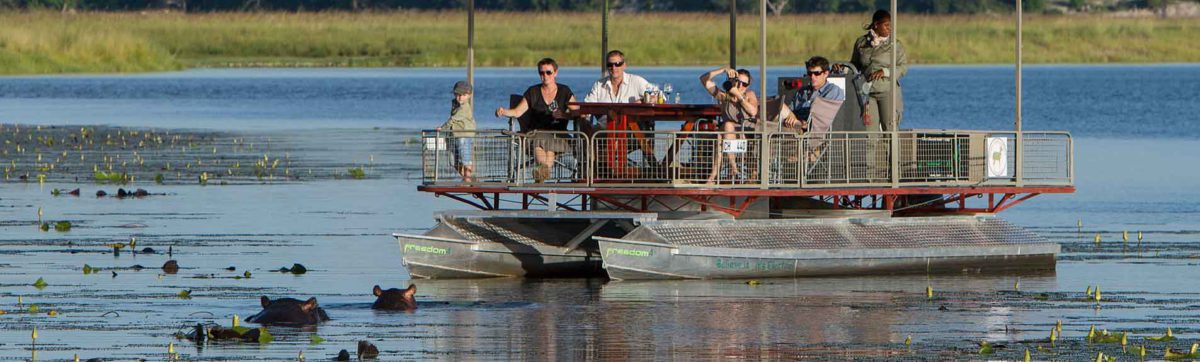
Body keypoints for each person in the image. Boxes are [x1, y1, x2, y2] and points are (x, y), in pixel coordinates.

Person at [495, 58, 579, 183]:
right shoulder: (532, 91)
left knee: (550, 147)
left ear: (555, 73)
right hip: (536, 132)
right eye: (541, 73)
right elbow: (517, 112)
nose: (545, 76)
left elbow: (577, 112)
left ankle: (542, 173)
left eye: (548, 72)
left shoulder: (565, 91)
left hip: (558, 133)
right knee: (540, 144)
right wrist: (504, 111)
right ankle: (544, 171)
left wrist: (564, 115)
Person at [849, 9, 907, 132]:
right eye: (886, 25)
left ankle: (893, 152)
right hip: (868, 93)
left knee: (890, 130)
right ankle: (870, 152)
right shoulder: (861, 43)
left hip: (888, 92)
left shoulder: (895, 45)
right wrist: (843, 68)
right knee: (869, 133)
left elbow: (902, 67)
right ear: (876, 25)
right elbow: (854, 65)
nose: (889, 28)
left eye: (891, 26)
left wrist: (885, 72)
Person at [700, 66, 758, 184]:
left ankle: (722, 173)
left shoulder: (749, 95)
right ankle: (730, 171)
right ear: (732, 81)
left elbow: (753, 112)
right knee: (723, 133)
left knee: (725, 128)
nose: (740, 86)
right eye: (738, 82)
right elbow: (703, 79)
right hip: (728, 136)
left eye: (744, 84)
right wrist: (723, 70)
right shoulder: (724, 96)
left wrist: (740, 98)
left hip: (746, 133)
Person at [789, 56, 846, 127]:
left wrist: (799, 122)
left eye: (817, 73)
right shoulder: (802, 92)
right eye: (810, 73)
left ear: (826, 74)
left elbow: (820, 117)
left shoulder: (833, 91)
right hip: (793, 128)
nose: (812, 76)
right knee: (780, 106)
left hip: (812, 130)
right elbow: (790, 111)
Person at [437, 80, 475, 182]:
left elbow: (453, 119)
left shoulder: (464, 107)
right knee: (453, 161)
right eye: (457, 94)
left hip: (464, 135)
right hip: (455, 135)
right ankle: (467, 179)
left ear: (469, 95)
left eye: (462, 94)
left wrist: (442, 128)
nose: (459, 97)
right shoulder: (456, 104)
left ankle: (467, 180)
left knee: (466, 159)